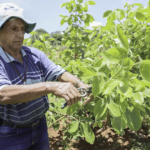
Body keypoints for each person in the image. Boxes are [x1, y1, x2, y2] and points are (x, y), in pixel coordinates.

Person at [0, 3, 92, 150]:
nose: (20, 34)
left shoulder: (33, 54)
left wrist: (81, 85)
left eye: (22, 29)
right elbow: (3, 94)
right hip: (11, 134)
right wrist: (50, 86)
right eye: (14, 29)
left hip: (40, 126)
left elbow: (58, 73)